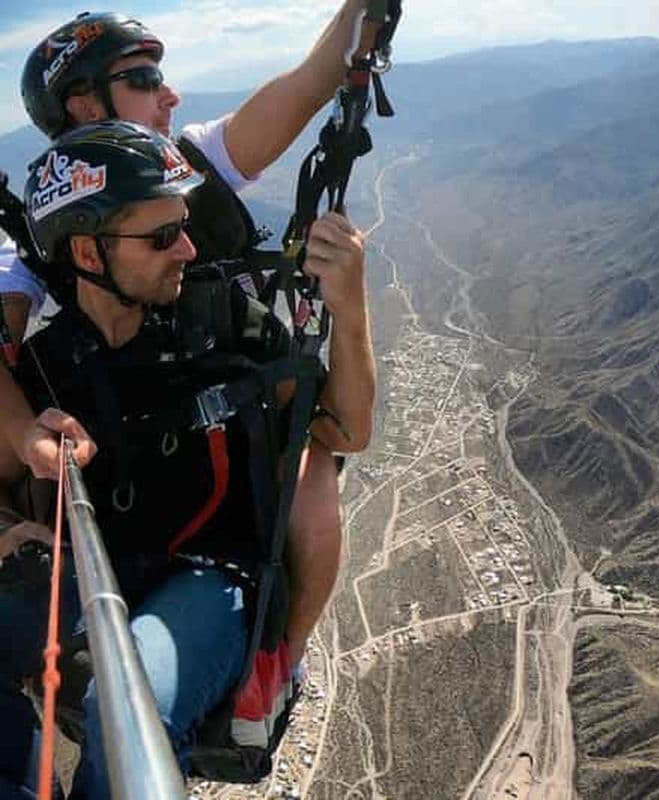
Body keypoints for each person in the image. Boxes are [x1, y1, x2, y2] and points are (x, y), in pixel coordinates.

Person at [0, 6, 376, 671]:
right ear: (83, 104)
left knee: (313, 466)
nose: (168, 94)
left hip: (228, 406)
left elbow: (314, 78)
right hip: (117, 425)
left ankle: (274, 661)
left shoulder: (193, 162)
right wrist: (26, 432)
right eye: (142, 78)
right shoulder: (43, 227)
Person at [0, 120, 367, 799]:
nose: (189, 249)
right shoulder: (51, 370)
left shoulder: (224, 323)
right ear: (87, 251)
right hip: (96, 579)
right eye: (163, 235)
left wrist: (350, 307)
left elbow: (342, 431)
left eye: (185, 225)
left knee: (125, 704)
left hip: (215, 583)